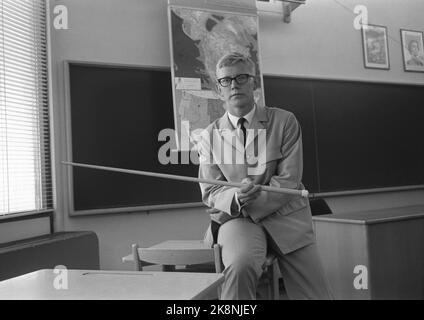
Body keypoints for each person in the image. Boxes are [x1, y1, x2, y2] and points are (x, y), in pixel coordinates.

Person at [197, 52, 333, 300]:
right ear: (219, 89)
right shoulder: (209, 135)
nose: (234, 85)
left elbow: (289, 180)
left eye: (241, 77)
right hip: (238, 219)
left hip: (286, 217)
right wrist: (237, 198)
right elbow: (210, 191)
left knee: (316, 294)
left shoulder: (284, 121)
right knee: (239, 268)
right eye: (226, 80)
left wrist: (252, 197)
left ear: (254, 83)